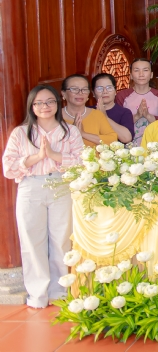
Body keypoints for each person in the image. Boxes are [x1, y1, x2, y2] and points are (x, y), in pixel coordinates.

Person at [2, 85, 83, 308]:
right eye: (39, 103)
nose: (45, 107)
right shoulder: (21, 132)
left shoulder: (70, 131)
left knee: (61, 240)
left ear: (58, 104)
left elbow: (82, 162)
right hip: (31, 188)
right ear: (32, 107)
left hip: (60, 186)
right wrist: (36, 157)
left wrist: (54, 155)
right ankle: (37, 294)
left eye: (50, 102)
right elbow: (8, 168)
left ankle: (59, 291)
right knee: (32, 241)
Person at [115, 58, 158, 144]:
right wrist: (137, 116)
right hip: (129, 144)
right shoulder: (121, 96)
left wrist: (148, 116)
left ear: (151, 74)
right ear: (131, 75)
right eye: (136, 70)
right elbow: (117, 124)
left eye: (145, 70)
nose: (141, 74)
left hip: (155, 142)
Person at [60, 74, 118, 146]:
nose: (80, 93)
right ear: (63, 93)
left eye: (84, 89)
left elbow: (113, 139)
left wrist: (83, 134)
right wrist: (73, 133)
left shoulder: (97, 114)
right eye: (74, 89)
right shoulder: (56, 116)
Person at [90, 73, 134, 144]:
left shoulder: (124, 112)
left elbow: (126, 138)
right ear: (93, 93)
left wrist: (104, 117)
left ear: (115, 91)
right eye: (100, 88)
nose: (105, 92)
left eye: (109, 87)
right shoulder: (87, 111)